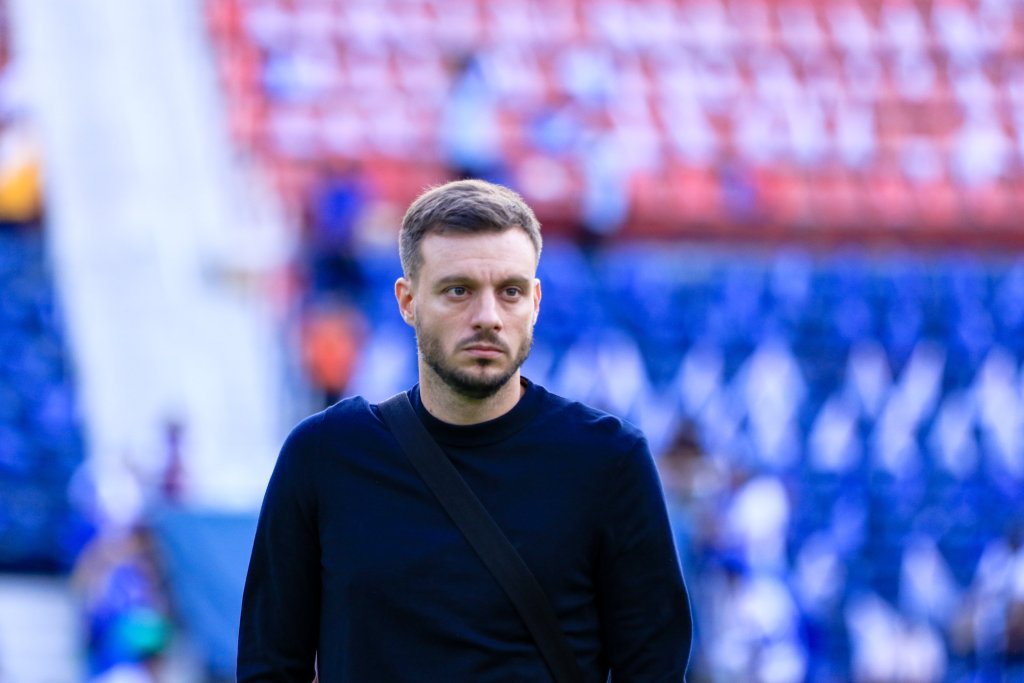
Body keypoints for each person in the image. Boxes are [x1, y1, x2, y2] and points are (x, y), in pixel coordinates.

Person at [238, 179, 692, 682]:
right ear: (408, 301)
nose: (488, 318)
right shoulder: (324, 455)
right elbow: (270, 665)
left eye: (511, 292)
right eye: (459, 291)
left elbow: (653, 670)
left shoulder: (608, 461)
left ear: (536, 303)